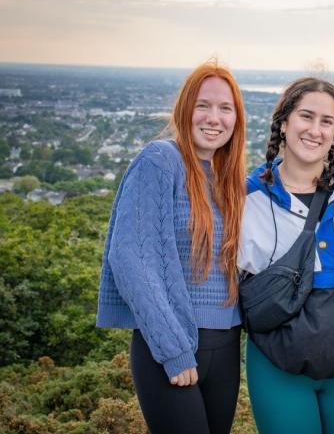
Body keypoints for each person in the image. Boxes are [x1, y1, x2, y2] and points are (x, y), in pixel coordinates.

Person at [96, 61, 246, 434]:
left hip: (226, 348)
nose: (214, 118)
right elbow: (130, 257)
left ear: (237, 118)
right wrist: (174, 351)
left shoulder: (231, 180)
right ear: (185, 110)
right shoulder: (160, 161)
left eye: (225, 108)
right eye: (203, 105)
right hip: (170, 347)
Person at [238, 77, 334, 434]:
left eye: (327, 121)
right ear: (283, 122)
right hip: (279, 366)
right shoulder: (246, 198)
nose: (315, 130)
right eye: (306, 116)